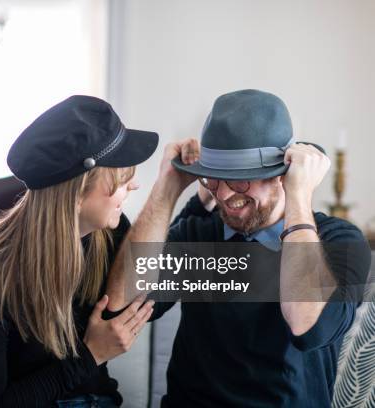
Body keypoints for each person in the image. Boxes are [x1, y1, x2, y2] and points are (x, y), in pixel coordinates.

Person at [105, 89, 371, 407]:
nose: (225, 195)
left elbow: (306, 326)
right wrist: (168, 186)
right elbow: (121, 304)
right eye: (214, 179)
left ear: (282, 174)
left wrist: (299, 197)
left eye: (242, 180)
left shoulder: (340, 241)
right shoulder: (200, 235)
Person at [0, 95, 160, 408]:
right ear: (77, 195)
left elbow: (159, 294)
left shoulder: (108, 233)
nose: (133, 187)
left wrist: (173, 187)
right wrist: (90, 355)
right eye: (120, 178)